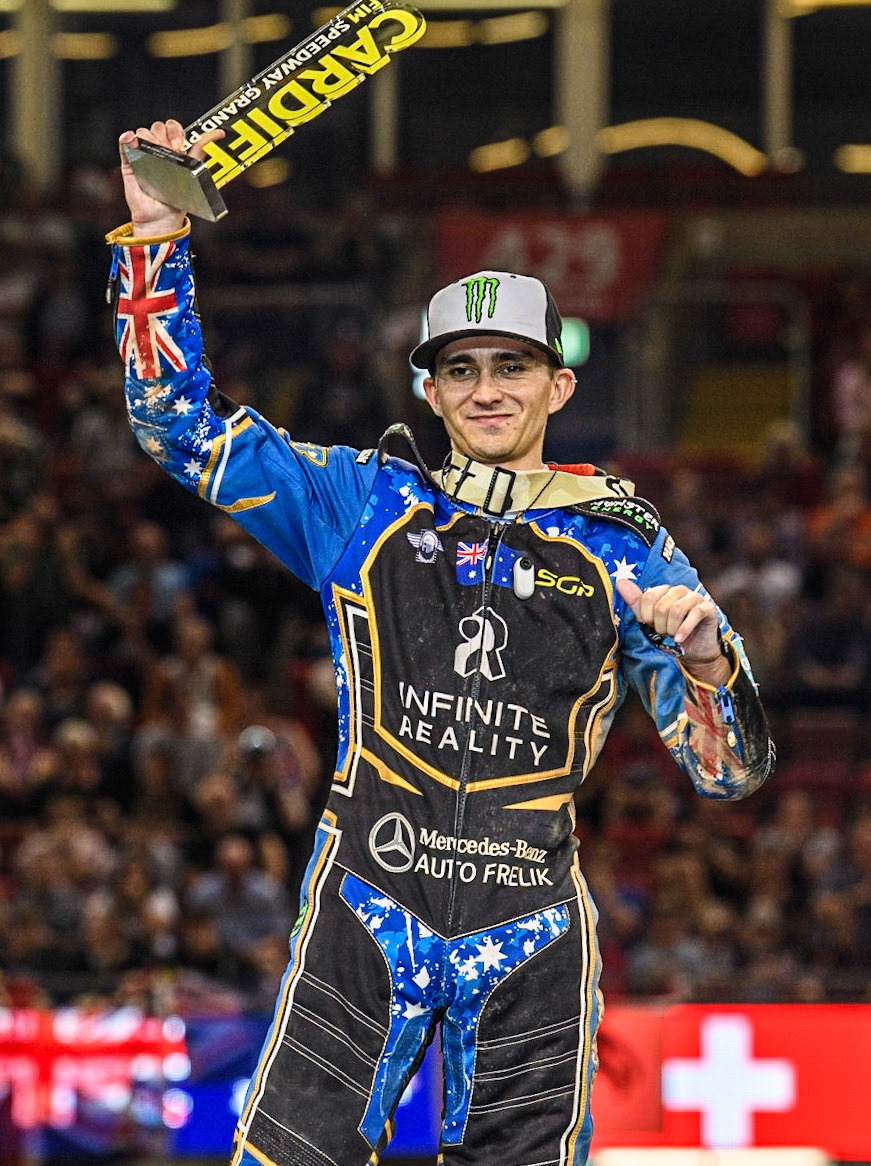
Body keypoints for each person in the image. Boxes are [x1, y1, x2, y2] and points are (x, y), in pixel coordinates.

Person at [108, 119, 774, 1166]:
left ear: (558, 383)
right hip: (364, 908)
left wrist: (700, 656)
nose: (486, 389)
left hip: (532, 939)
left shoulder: (624, 543)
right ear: (428, 389)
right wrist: (154, 238)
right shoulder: (363, 503)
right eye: (459, 368)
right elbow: (175, 424)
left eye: (512, 364)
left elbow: (726, 768)